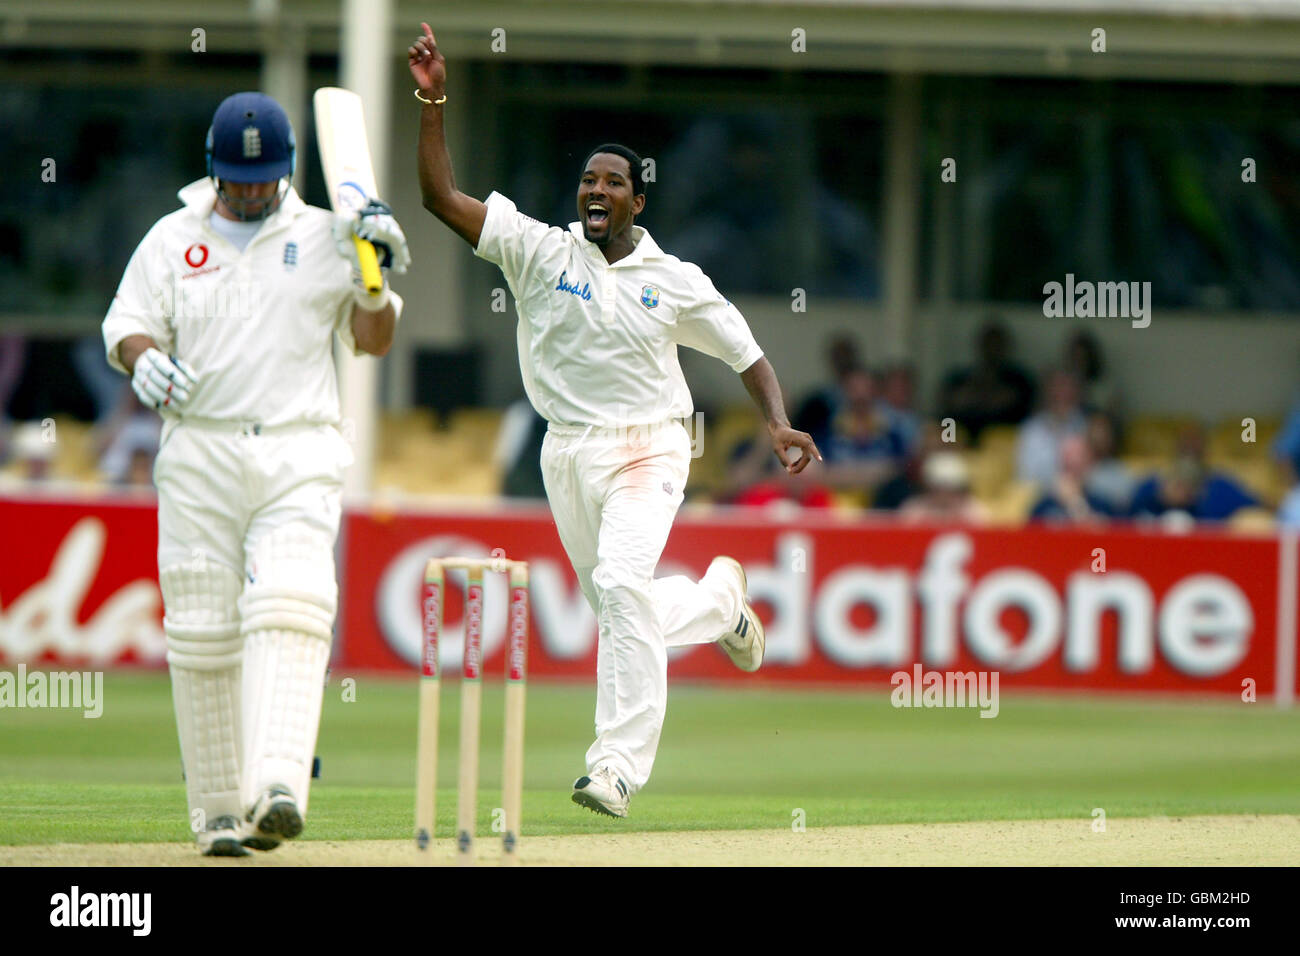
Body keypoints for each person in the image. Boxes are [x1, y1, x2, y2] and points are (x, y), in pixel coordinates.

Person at [409, 23, 821, 819]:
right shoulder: (539, 251)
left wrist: (775, 423)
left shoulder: (676, 279)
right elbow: (438, 198)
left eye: (612, 183)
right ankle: (719, 606)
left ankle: (616, 769)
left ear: (638, 198)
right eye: (587, 182)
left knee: (622, 586)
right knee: (622, 612)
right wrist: (433, 101)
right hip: (566, 454)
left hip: (651, 448)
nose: (595, 192)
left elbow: (748, 353)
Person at [101, 91, 409, 856]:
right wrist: (143, 362)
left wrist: (376, 276)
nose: (249, 193)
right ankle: (216, 816)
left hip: (297, 450)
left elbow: (372, 341)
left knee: (291, 603)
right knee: (202, 627)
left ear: (287, 172)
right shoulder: (172, 238)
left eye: (263, 180)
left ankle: (277, 785)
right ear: (213, 171)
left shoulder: (330, 234)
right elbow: (127, 324)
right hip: (198, 451)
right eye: (236, 181)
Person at [938, 320, 1036, 442]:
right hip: (962, 441)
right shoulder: (958, 378)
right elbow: (947, 406)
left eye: (997, 344)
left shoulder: (1020, 380)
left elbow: (1026, 413)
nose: (992, 349)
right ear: (979, 345)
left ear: (1006, 347)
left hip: (1005, 445)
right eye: (988, 343)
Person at [1015, 367, 1087, 487]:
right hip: (1042, 497)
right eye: (1056, 389)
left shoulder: (1085, 426)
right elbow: (1025, 476)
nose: (1062, 394)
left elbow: (1090, 472)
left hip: (1080, 493)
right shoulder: (1030, 430)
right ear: (1047, 393)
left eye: (1067, 388)